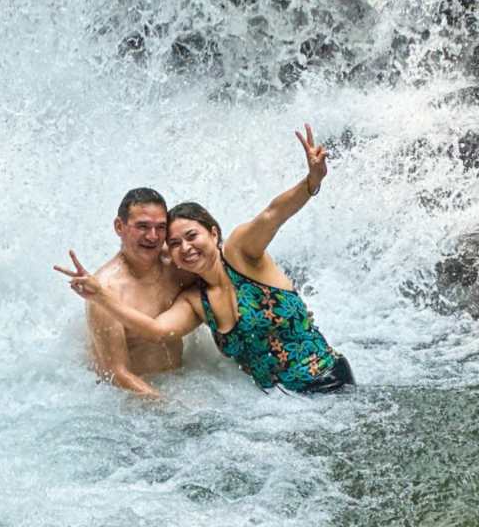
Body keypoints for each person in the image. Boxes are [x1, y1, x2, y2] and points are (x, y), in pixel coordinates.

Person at [55, 125, 354, 394]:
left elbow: (273, 214)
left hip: (328, 382)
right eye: (174, 243)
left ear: (213, 233)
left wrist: (311, 182)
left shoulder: (241, 253)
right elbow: (156, 331)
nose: (184, 248)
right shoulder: (196, 300)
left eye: (190, 236)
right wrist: (101, 297)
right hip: (279, 401)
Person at [76, 188, 194, 398]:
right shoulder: (104, 291)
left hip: (178, 382)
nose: (153, 236)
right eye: (142, 227)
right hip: (132, 401)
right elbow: (116, 374)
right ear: (119, 226)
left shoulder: (177, 263)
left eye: (161, 228)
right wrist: (172, 408)